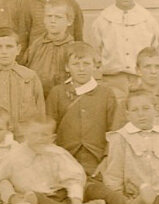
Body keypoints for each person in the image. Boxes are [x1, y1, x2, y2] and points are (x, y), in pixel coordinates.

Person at [86, 0, 159, 99]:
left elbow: (157, 50)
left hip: (141, 79)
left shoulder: (147, 20)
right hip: (112, 79)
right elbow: (94, 52)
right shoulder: (103, 21)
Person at [48, 45, 114, 187]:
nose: (81, 69)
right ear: (67, 67)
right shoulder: (57, 93)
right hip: (65, 157)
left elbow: (114, 131)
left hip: (96, 159)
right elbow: (49, 130)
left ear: (95, 66)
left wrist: (106, 159)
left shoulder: (106, 94)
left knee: (97, 189)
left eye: (86, 63)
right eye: (76, 64)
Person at [6, 114, 94, 204]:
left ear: (52, 138)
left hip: (59, 194)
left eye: (44, 135)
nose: (39, 138)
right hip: (34, 196)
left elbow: (73, 178)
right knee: (35, 200)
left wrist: (76, 201)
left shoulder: (58, 154)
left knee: (92, 187)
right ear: (25, 135)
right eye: (34, 134)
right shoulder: (14, 155)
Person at [24, 0, 80, 95]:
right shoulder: (36, 45)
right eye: (49, 16)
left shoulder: (73, 48)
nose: (52, 20)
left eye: (58, 17)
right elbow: (25, 69)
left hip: (63, 96)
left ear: (69, 21)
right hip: (37, 95)